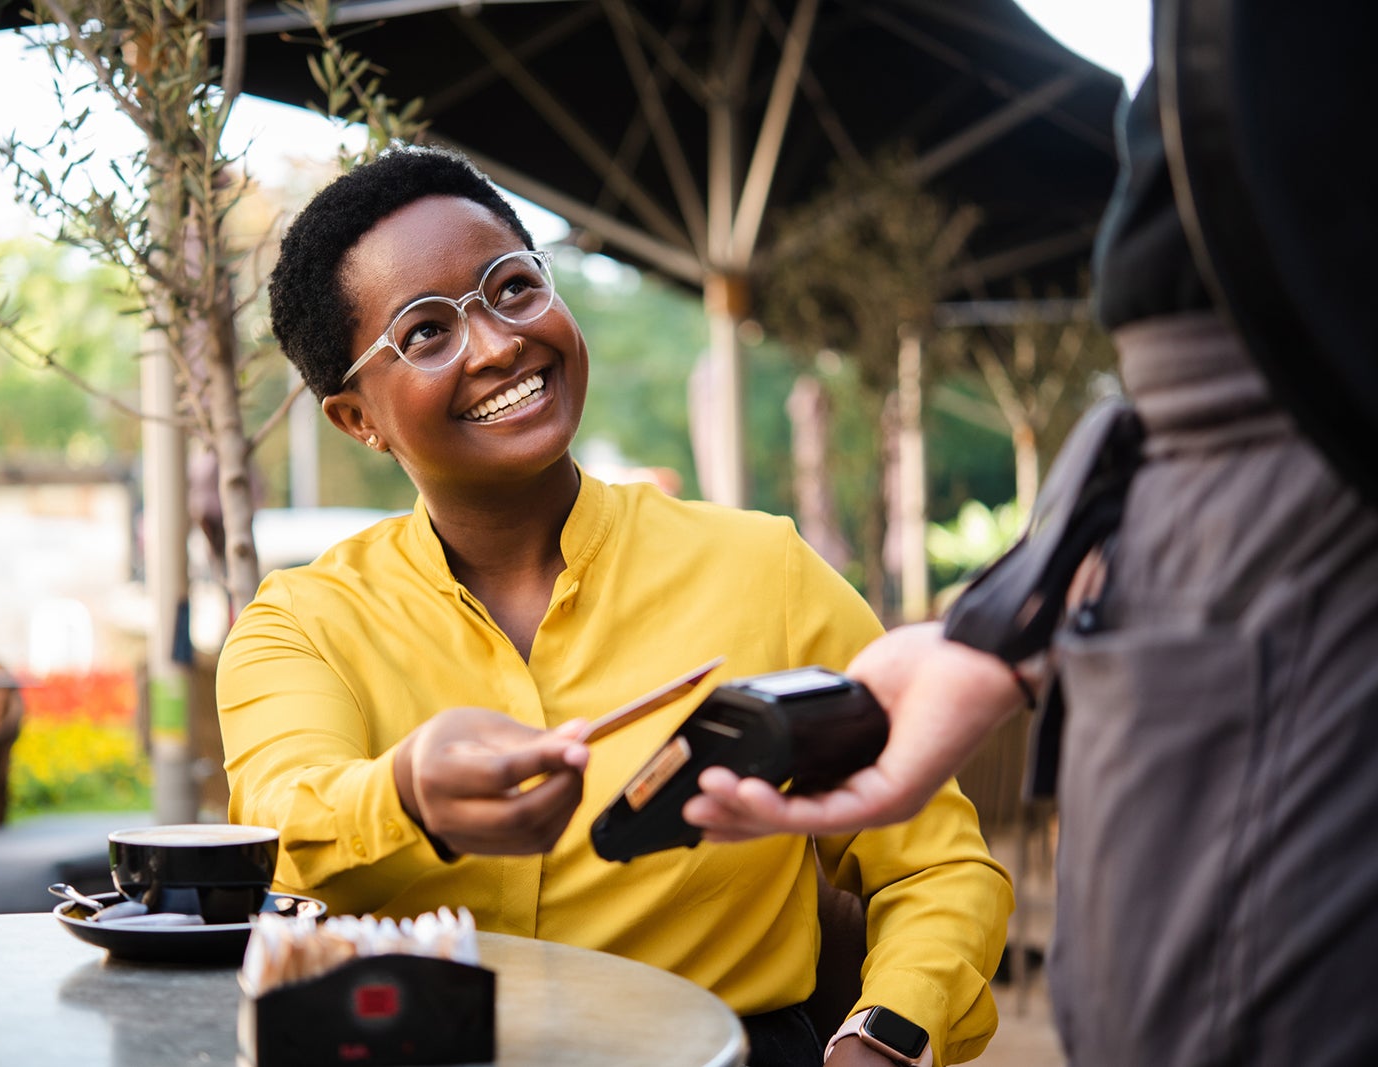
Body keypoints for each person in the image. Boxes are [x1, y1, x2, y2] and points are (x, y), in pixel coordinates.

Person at [683, 6, 1378, 1065]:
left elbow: (941, 878)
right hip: (1209, 457)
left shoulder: (764, 563)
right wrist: (998, 625)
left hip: (1282, 435)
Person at [218, 145, 1012, 1067]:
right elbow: (281, 824)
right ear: (356, 418)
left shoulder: (765, 570)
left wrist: (886, 1037)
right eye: (426, 333)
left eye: (512, 287)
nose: (499, 343)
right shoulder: (302, 623)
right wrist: (405, 794)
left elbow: (935, 865)